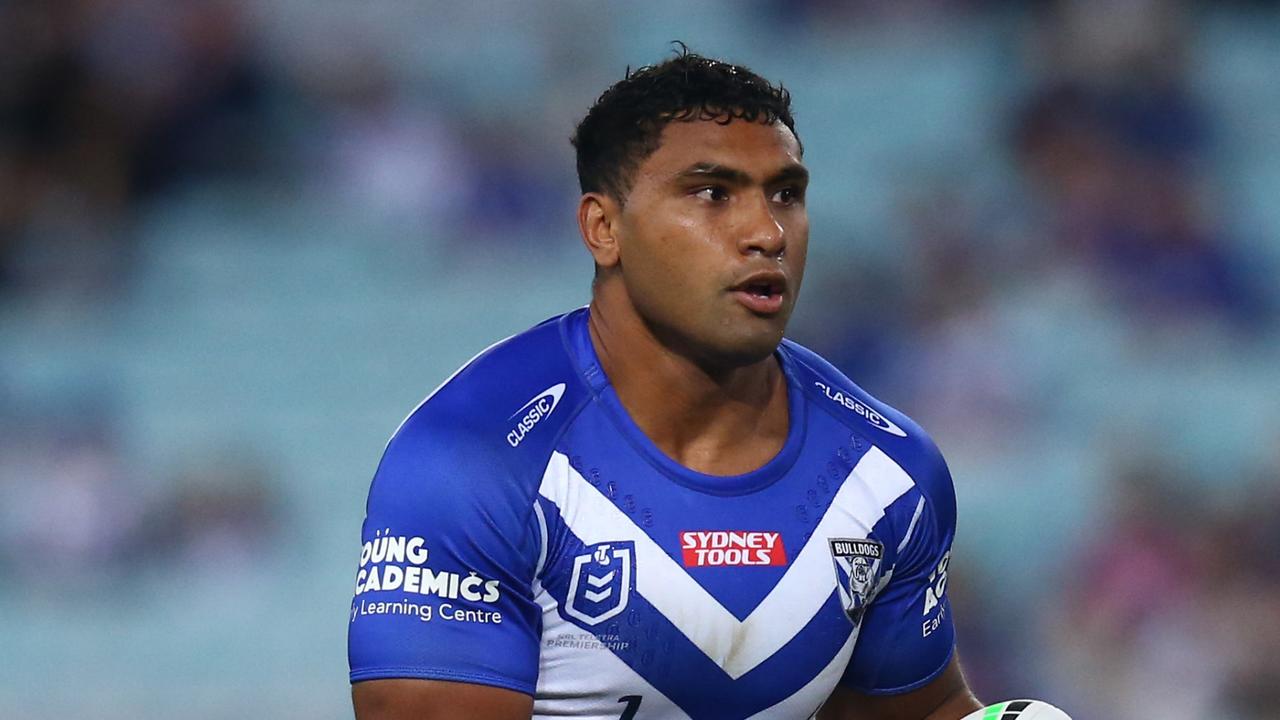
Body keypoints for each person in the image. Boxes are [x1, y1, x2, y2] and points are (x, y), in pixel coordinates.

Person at [348, 49, 984, 720]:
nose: (766, 233)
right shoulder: (471, 461)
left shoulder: (890, 472)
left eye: (786, 194)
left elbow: (919, 711)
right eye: (712, 193)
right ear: (604, 228)